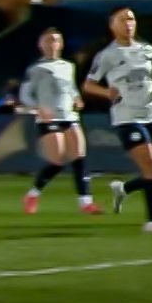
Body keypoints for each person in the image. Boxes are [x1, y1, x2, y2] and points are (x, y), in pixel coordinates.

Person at [83, 8, 152, 234]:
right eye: (123, 19)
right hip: (127, 117)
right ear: (112, 25)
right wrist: (107, 93)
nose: (129, 23)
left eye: (132, 19)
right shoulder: (106, 55)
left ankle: (124, 188)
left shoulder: (148, 50)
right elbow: (88, 85)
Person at [19, 28, 100, 215]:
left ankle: (86, 203)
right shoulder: (35, 69)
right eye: (47, 40)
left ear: (61, 44)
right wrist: (38, 108)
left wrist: (77, 98)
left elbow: (70, 88)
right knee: (57, 160)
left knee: (79, 158)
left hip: (69, 116)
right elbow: (25, 95)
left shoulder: (67, 66)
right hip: (49, 118)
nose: (51, 43)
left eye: (55, 40)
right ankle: (33, 193)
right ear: (40, 45)